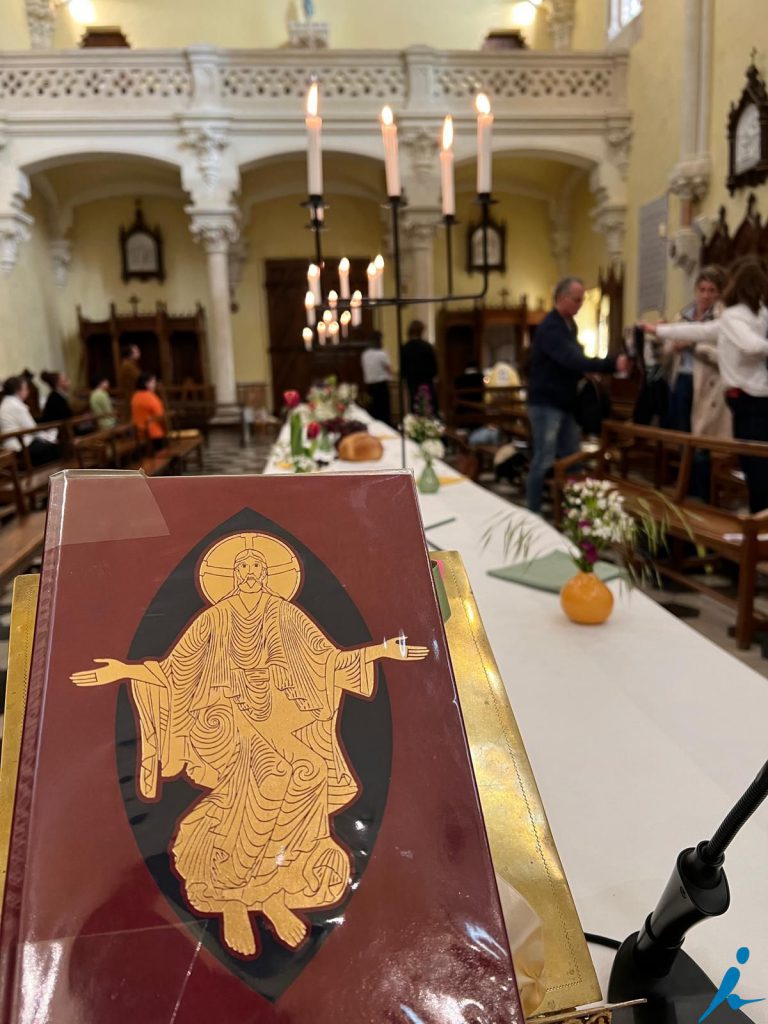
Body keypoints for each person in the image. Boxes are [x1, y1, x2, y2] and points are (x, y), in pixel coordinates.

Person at [71, 533, 428, 958]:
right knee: (271, 777)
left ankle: (271, 889)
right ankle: (233, 900)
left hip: (282, 718)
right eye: (242, 568)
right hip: (226, 722)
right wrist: (124, 672)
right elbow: (174, 670)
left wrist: (379, 651)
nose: (250, 575)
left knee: (310, 775)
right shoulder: (214, 619)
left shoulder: (286, 614)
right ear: (232, 576)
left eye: (258, 568)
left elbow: (327, 660)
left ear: (268, 576)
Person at [642, 260, 768, 512]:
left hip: (748, 400)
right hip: (753, 399)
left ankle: (758, 530)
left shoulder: (734, 316)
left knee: (756, 469)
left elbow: (752, 345)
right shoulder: (757, 314)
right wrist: (661, 330)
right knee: (756, 466)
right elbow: (699, 331)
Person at [526, 276, 628, 514]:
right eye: (577, 300)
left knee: (573, 458)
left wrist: (591, 371)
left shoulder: (569, 325)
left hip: (565, 404)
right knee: (543, 460)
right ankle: (532, 514)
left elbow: (574, 361)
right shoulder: (551, 327)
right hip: (546, 404)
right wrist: (612, 364)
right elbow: (571, 359)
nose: (581, 304)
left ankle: (575, 512)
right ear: (561, 299)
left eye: (582, 299)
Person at [662, 265, 726, 433]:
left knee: (701, 432)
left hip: (707, 382)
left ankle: (698, 458)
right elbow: (667, 349)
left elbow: (724, 355)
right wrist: (672, 345)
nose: (706, 295)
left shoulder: (722, 318)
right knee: (681, 431)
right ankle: (684, 458)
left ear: (718, 294)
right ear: (696, 291)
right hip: (682, 376)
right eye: (702, 289)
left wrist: (692, 344)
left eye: (712, 290)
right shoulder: (683, 316)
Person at [0, 376, 60, 465]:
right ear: (19, 390)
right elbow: (33, 429)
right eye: (25, 389)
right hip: (19, 445)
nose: (27, 391)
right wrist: (50, 438)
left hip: (10, 444)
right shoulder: (16, 405)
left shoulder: (6, 402)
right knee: (55, 448)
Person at [401, 319, 438, 414]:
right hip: (426, 381)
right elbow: (433, 366)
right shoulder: (427, 346)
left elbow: (403, 368)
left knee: (415, 407)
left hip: (412, 382)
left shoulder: (406, 347)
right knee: (427, 406)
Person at [360, 330, 392, 425]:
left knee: (373, 411)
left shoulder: (365, 354)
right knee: (384, 412)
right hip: (381, 385)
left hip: (370, 386)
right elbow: (388, 368)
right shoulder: (382, 354)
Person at [131, 373, 167, 449]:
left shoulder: (135, 396)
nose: (155, 385)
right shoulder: (150, 397)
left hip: (139, 433)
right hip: (154, 434)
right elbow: (160, 415)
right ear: (146, 384)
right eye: (153, 382)